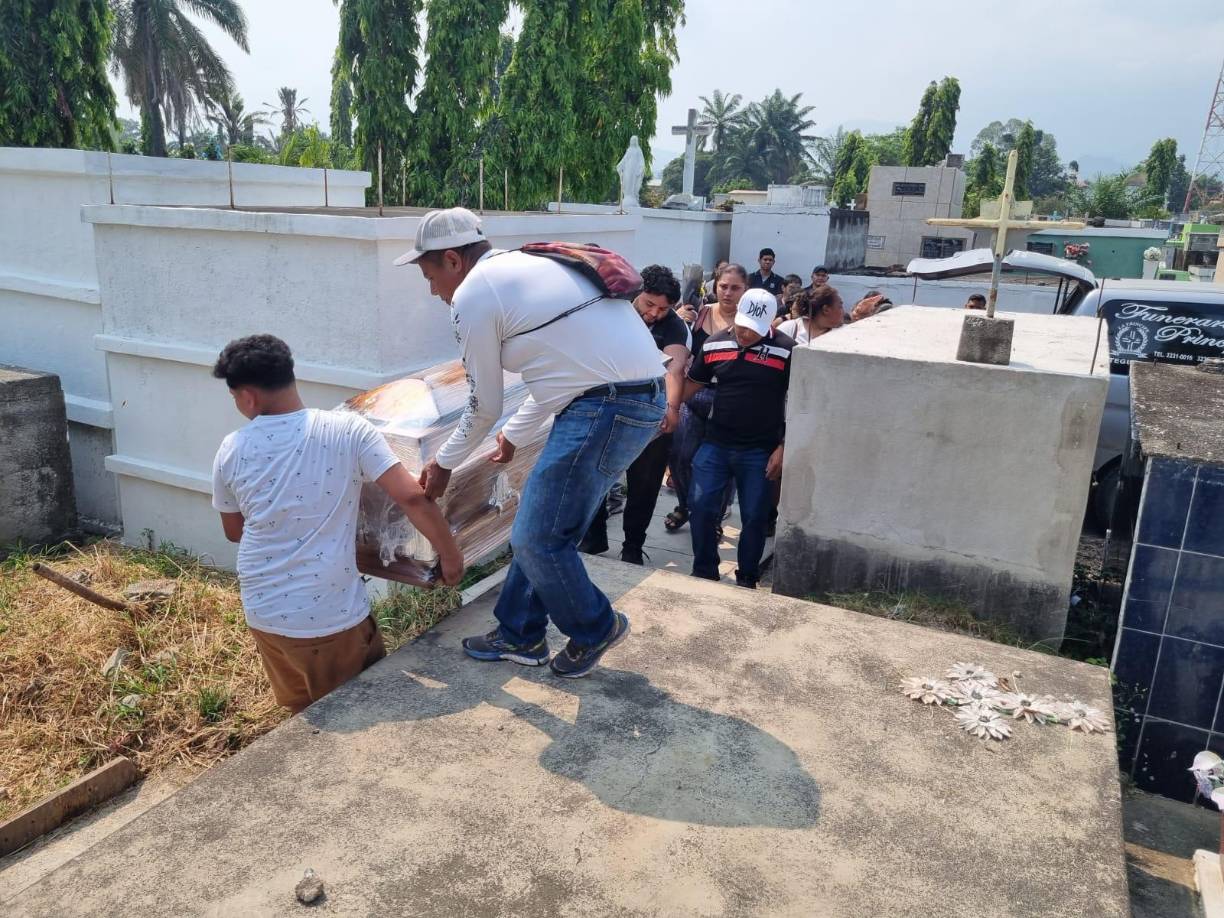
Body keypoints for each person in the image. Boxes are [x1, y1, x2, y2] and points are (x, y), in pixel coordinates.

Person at [403, 207, 666, 679]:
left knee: (537, 538)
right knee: (543, 525)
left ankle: (595, 627)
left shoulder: (474, 295)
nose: (432, 290)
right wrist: (514, 436)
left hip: (605, 408)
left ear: (452, 260)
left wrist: (443, 464)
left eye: (428, 274)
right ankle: (520, 633)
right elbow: (564, 372)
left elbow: (483, 403)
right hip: (625, 401)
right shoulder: (531, 266)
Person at [210, 335, 464, 713]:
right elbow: (411, 496)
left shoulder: (231, 447)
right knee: (355, 710)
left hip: (262, 610)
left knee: (303, 715)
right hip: (327, 616)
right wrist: (451, 556)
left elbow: (234, 531)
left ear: (247, 396)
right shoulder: (346, 430)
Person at [684, 289, 795, 588]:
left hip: (760, 450)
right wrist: (666, 408)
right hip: (716, 444)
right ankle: (704, 570)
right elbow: (691, 384)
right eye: (743, 326)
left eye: (754, 330)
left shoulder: (787, 350)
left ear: (771, 323)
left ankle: (747, 576)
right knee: (701, 507)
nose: (746, 334)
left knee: (755, 517)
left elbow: (802, 403)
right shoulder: (714, 343)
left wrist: (784, 447)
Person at [581, 265, 690, 564]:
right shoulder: (613, 313)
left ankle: (632, 546)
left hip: (651, 415)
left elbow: (675, 367)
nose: (655, 313)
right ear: (636, 295)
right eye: (649, 304)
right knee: (594, 477)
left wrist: (672, 407)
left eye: (663, 308)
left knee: (644, 484)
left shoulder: (673, 326)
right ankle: (593, 538)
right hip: (608, 411)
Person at [664, 263, 748, 534]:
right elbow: (676, 342)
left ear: (745, 290)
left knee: (724, 463)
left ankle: (714, 516)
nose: (728, 292)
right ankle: (688, 506)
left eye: (735, 287)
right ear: (715, 287)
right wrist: (678, 318)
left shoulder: (750, 322)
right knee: (680, 455)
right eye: (723, 286)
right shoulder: (698, 315)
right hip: (694, 391)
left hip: (731, 399)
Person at [778, 286, 845, 345]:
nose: (843, 312)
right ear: (826, 310)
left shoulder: (843, 334)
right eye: (840, 306)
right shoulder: (790, 328)